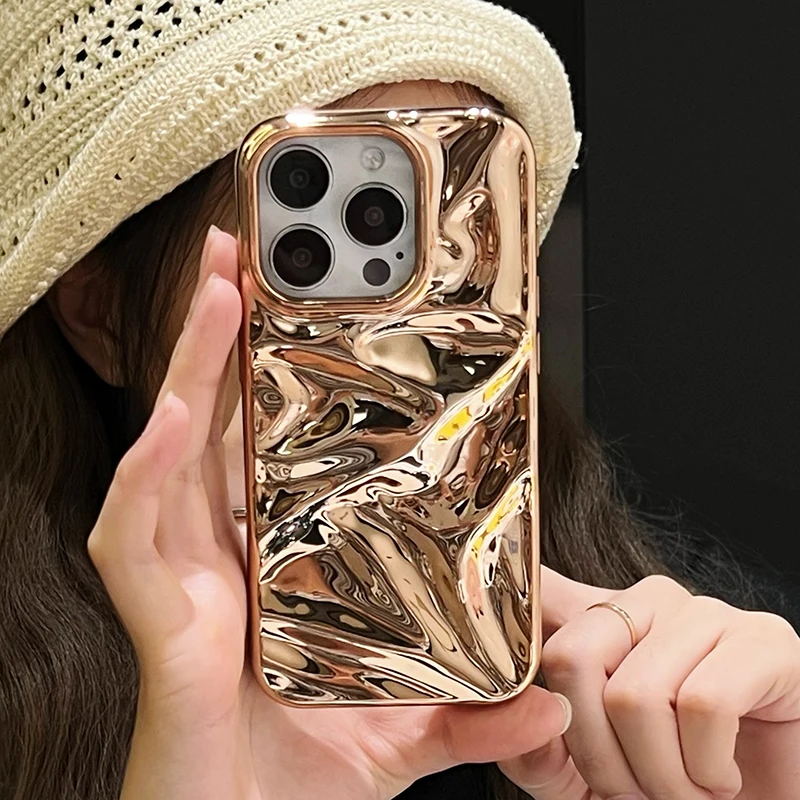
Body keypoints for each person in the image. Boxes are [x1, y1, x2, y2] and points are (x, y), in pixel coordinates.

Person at [0, 3, 797, 800]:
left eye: (457, 242)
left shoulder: (669, 678)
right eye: (308, 262)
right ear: (100, 315)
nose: (402, 342)